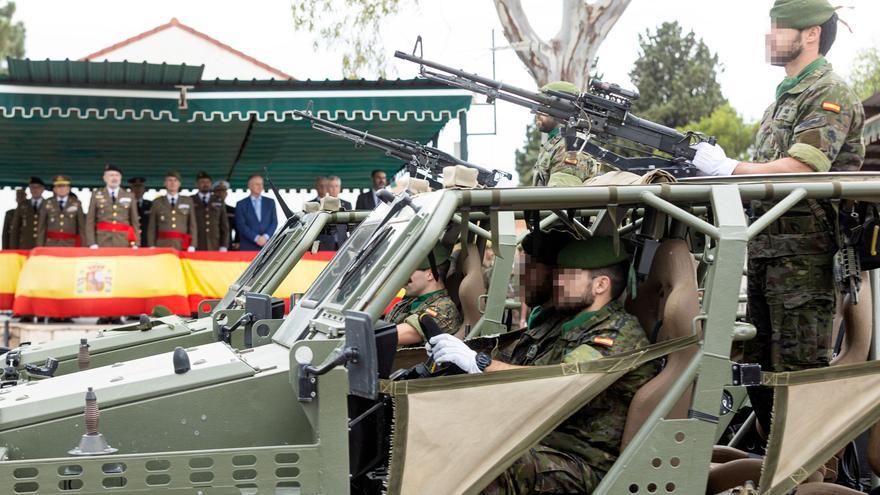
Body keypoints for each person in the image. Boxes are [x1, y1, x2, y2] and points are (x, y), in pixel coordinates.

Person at [689, 0, 864, 431]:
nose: (771, 37)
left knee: (798, 379)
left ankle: (809, 477)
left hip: (807, 259)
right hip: (769, 254)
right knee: (762, 375)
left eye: (780, 28)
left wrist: (729, 168)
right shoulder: (779, 104)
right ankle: (774, 472)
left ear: (810, 35)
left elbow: (803, 167)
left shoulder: (829, 91)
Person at [430, 237, 657, 494]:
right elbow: (522, 363)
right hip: (546, 441)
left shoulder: (618, 334)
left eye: (568, 276)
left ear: (600, 285)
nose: (557, 282)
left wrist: (479, 363)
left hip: (582, 462)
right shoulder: (569, 323)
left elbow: (557, 381)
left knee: (485, 460)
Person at [532, 81, 606, 187]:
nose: (538, 112)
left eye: (544, 105)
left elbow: (559, 198)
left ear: (563, 108)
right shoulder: (556, 143)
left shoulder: (569, 148)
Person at [387, 245, 462, 345]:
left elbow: (393, 336)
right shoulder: (408, 302)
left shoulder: (444, 309)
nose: (403, 277)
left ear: (429, 275)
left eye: (409, 270)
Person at [86, 164, 140, 248]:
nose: (114, 178)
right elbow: (90, 221)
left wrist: (136, 243)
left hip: (123, 241)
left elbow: (134, 221)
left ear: (121, 178)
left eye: (117, 175)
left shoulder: (129, 195)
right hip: (102, 240)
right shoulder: (96, 195)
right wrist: (91, 243)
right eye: (111, 175)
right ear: (104, 178)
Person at [147, 170, 197, 251]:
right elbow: (152, 226)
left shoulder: (188, 201)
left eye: (175, 180)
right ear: (165, 183)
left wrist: (193, 244)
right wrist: (151, 245)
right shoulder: (157, 202)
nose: (172, 183)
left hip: (182, 244)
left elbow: (192, 225)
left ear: (179, 184)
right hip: (162, 244)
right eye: (169, 180)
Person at [37, 175, 84, 247]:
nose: (62, 189)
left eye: (64, 186)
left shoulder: (76, 203)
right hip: (51, 244)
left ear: (69, 188)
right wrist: (40, 246)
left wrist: (83, 247)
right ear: (54, 189)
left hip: (70, 244)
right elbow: (41, 228)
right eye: (59, 186)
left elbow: (81, 228)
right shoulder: (47, 203)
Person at [235, 174, 277, 251]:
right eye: (257, 184)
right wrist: (256, 238)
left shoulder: (270, 202)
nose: (260, 187)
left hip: (267, 245)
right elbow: (241, 225)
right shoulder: (241, 204)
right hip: (247, 246)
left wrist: (265, 237)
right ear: (250, 186)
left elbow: (274, 222)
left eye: (261, 184)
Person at [191, 171, 230, 251]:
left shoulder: (218, 201)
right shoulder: (190, 200)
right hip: (196, 244)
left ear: (211, 184)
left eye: (207, 182)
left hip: (215, 244)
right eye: (202, 182)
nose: (205, 184)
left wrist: (224, 245)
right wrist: (190, 244)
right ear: (196, 184)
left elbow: (224, 226)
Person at [311, 175, 351, 251]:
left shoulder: (347, 205)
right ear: (327, 188)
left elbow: (350, 226)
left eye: (336, 186)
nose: (334, 189)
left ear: (339, 188)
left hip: (342, 243)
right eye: (331, 186)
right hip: (325, 244)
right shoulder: (319, 204)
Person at [9, 177, 47, 250]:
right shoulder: (22, 205)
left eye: (38, 187)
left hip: (43, 246)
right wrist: (13, 248)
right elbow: (15, 229)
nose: (35, 190)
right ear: (29, 189)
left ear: (43, 189)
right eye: (32, 187)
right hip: (25, 246)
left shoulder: (48, 205)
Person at [213, 180, 238, 250]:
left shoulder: (232, 210)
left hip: (228, 243)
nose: (221, 193)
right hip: (212, 242)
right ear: (214, 193)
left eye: (223, 191)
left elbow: (238, 226)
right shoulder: (209, 209)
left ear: (226, 193)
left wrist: (237, 240)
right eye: (218, 191)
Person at [129, 177, 151, 247]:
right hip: (130, 240)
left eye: (140, 186)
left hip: (146, 240)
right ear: (131, 189)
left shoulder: (151, 205)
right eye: (135, 186)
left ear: (144, 189)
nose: (138, 189)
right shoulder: (126, 205)